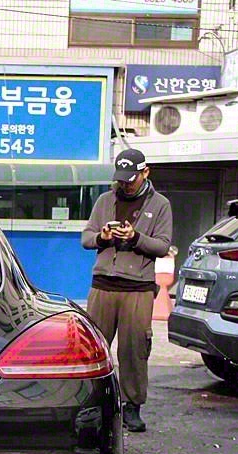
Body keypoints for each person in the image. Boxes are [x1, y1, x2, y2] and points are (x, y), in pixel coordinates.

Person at [81, 147, 173, 433]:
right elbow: (86, 238)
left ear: (145, 172)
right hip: (103, 285)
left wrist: (135, 238)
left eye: (130, 179)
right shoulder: (105, 200)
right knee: (94, 349)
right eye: (121, 179)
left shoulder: (160, 205)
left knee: (134, 350)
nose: (125, 184)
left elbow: (162, 245)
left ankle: (132, 406)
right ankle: (92, 405)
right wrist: (102, 236)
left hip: (138, 288)